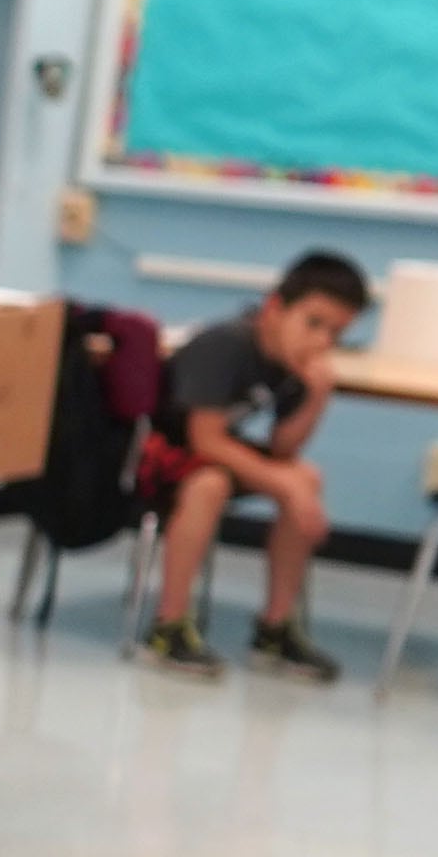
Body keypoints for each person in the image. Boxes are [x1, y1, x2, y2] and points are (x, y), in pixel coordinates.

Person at [140, 248, 367, 682]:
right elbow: (202, 438)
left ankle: (274, 629)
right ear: (275, 309)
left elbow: (283, 451)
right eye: (314, 323)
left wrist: (317, 397)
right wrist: (285, 488)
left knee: (305, 476)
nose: (321, 342)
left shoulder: (289, 365)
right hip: (153, 450)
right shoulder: (227, 344)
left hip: (209, 452)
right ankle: (167, 627)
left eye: (336, 334)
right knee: (210, 485)